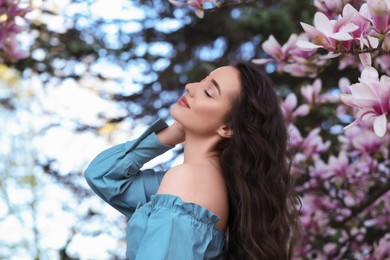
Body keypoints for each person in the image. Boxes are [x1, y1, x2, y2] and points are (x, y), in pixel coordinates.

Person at [84, 62, 301, 260]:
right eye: (202, 80)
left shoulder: (190, 181)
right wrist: (170, 134)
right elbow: (104, 176)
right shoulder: (200, 184)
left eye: (208, 92)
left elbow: (104, 178)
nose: (190, 86)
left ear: (227, 128)